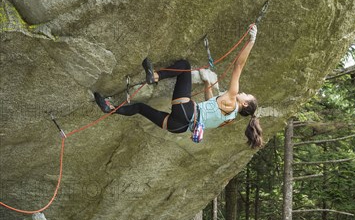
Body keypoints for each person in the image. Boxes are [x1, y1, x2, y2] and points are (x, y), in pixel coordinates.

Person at [94, 24, 262, 148]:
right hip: (179, 127)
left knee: (184, 66)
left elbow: (238, 66)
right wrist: (206, 83)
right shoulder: (230, 118)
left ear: (245, 104)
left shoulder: (232, 98)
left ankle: (155, 76)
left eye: (247, 95)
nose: (243, 92)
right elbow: (210, 105)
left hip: (186, 112)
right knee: (139, 108)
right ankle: (111, 108)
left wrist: (251, 40)